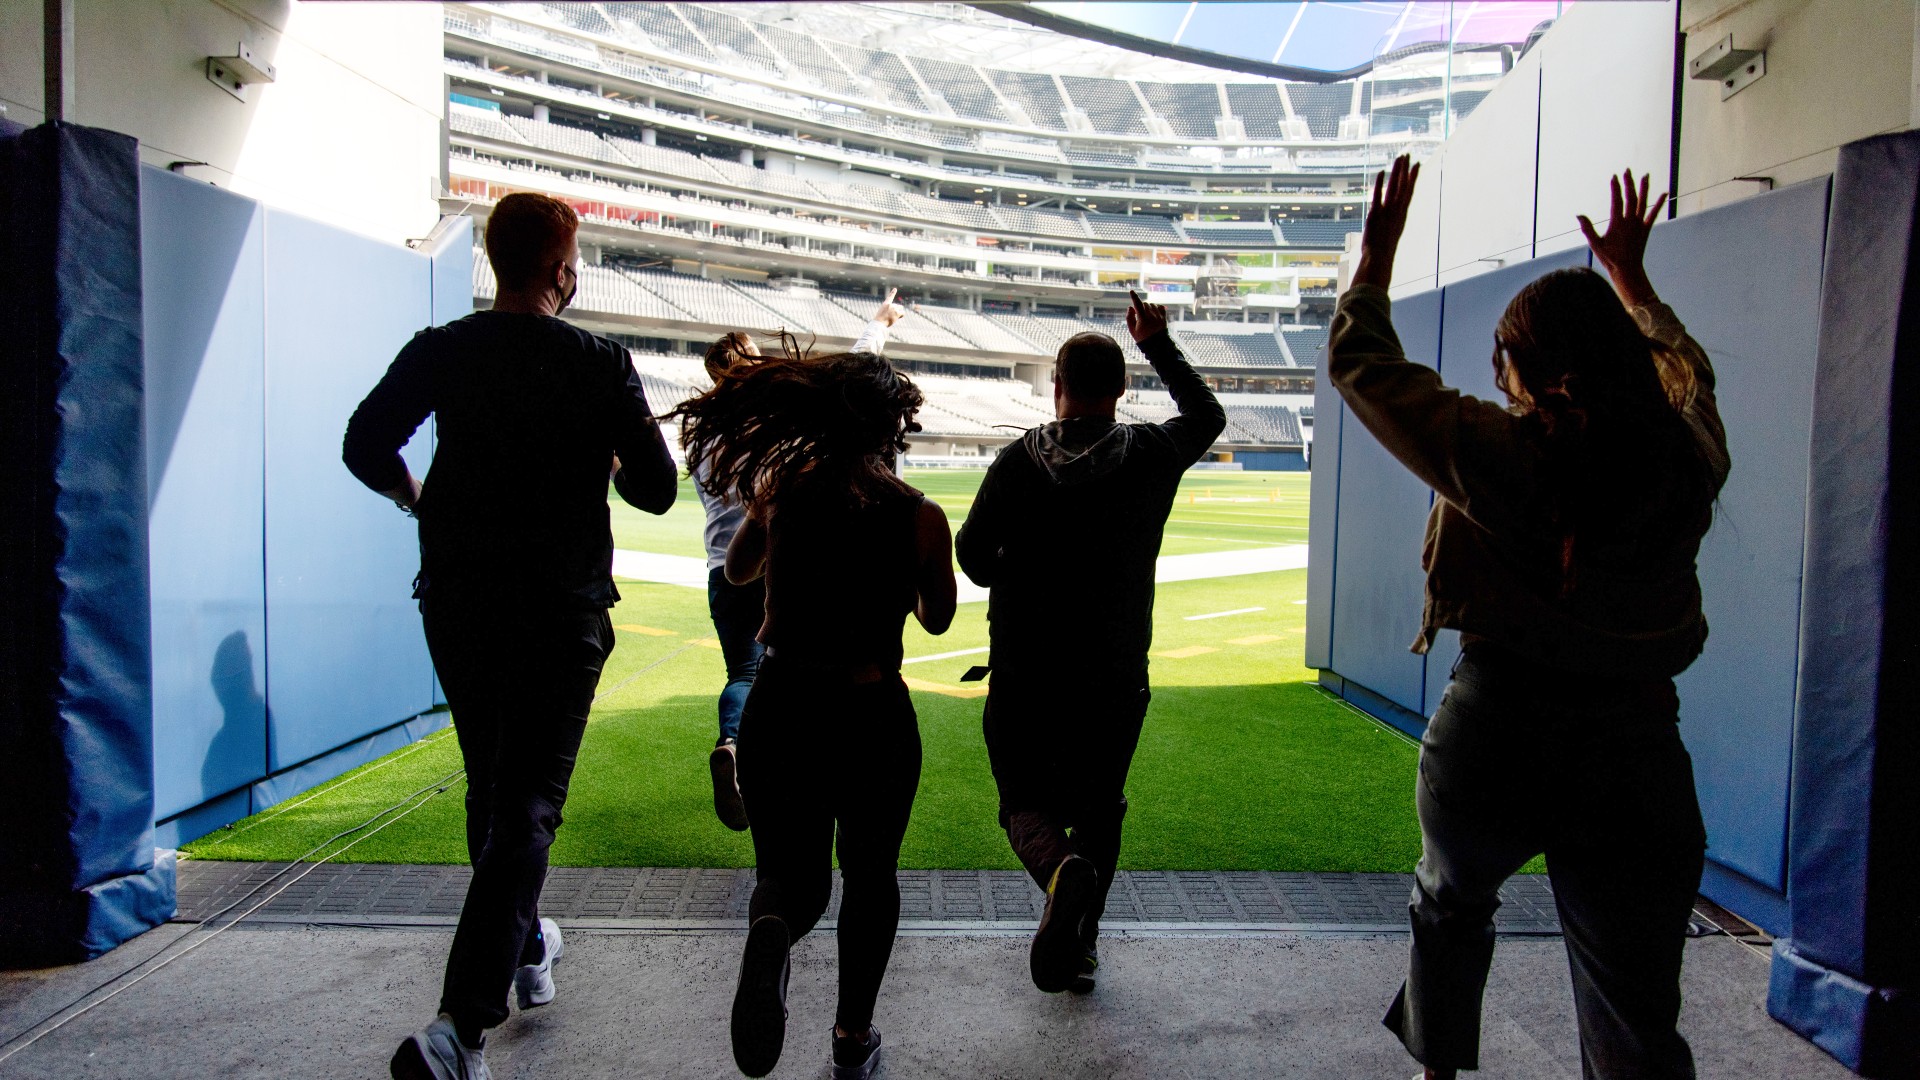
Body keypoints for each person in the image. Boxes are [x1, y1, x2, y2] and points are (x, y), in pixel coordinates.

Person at [1332, 158, 1728, 1080]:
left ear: (1531, 368)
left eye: (1505, 360)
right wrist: (1633, 284)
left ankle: (1438, 1070)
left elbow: (1361, 365)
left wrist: (1376, 259)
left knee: (1448, 902)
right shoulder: (1688, 458)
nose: (1497, 376)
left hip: (1497, 725)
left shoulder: (1500, 449)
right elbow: (1688, 376)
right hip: (1636, 738)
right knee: (1633, 1010)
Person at [343, 192, 679, 1080]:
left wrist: (420, 500)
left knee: (493, 788)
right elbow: (655, 490)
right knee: (526, 806)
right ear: (562, 270)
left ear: (495, 261)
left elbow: (364, 443)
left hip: (457, 600)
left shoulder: (443, 350)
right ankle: (460, 1027)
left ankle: (526, 949)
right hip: (559, 606)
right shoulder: (600, 361)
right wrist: (601, 449)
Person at [671, 340, 956, 1080]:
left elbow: (735, 570)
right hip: (870, 714)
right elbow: (938, 618)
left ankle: (772, 931)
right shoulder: (919, 516)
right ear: (892, 426)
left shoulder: (779, 492)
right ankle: (851, 1039)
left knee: (791, 879)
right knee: (870, 877)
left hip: (782, 703)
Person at [954, 289, 1225, 995]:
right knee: (1101, 808)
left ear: (1057, 387)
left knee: (1021, 800)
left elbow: (975, 554)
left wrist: (1028, 565)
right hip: (1113, 671)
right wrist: (1158, 343)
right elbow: (1208, 416)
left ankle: (1056, 874)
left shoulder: (1019, 462)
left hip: (1025, 669)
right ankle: (1080, 946)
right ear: (1122, 389)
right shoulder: (1152, 452)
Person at [699, 292, 911, 832]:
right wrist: (879, 324)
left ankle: (734, 743)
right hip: (784, 558)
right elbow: (851, 379)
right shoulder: (778, 421)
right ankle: (785, 761)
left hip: (724, 567)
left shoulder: (700, 439)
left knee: (744, 670)